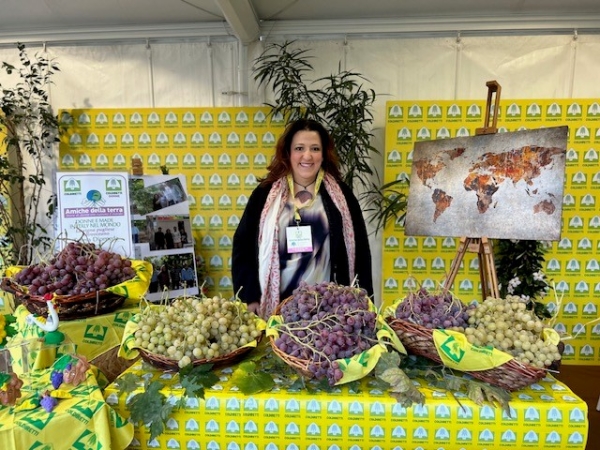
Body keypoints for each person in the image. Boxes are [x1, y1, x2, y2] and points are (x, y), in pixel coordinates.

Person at [232, 118, 373, 319]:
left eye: (315, 148)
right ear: (288, 153)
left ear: (324, 155)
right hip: (277, 307)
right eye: (299, 148)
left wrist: (365, 301)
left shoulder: (341, 196)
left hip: (328, 309)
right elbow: (243, 246)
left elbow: (360, 252)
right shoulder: (264, 195)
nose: (307, 155)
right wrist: (249, 296)